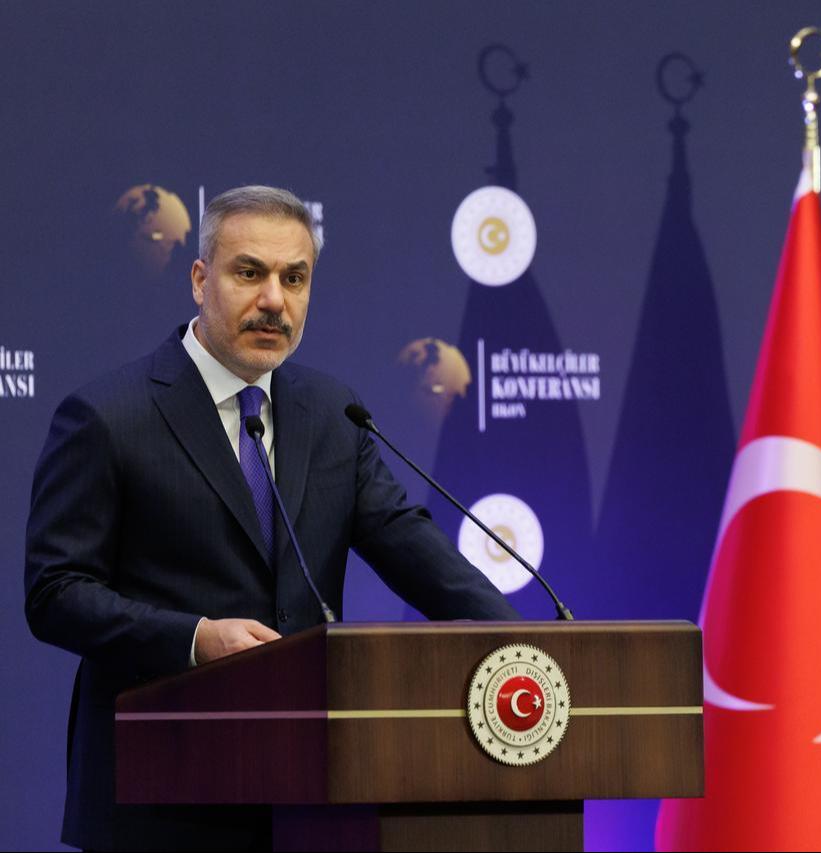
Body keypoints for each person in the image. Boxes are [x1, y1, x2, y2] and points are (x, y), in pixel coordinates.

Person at [24, 185, 520, 851]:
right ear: (200, 280)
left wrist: (532, 645)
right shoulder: (109, 416)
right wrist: (196, 637)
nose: (273, 301)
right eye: (249, 272)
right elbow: (56, 593)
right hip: (158, 805)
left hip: (308, 801)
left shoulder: (329, 412)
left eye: (295, 277)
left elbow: (410, 546)